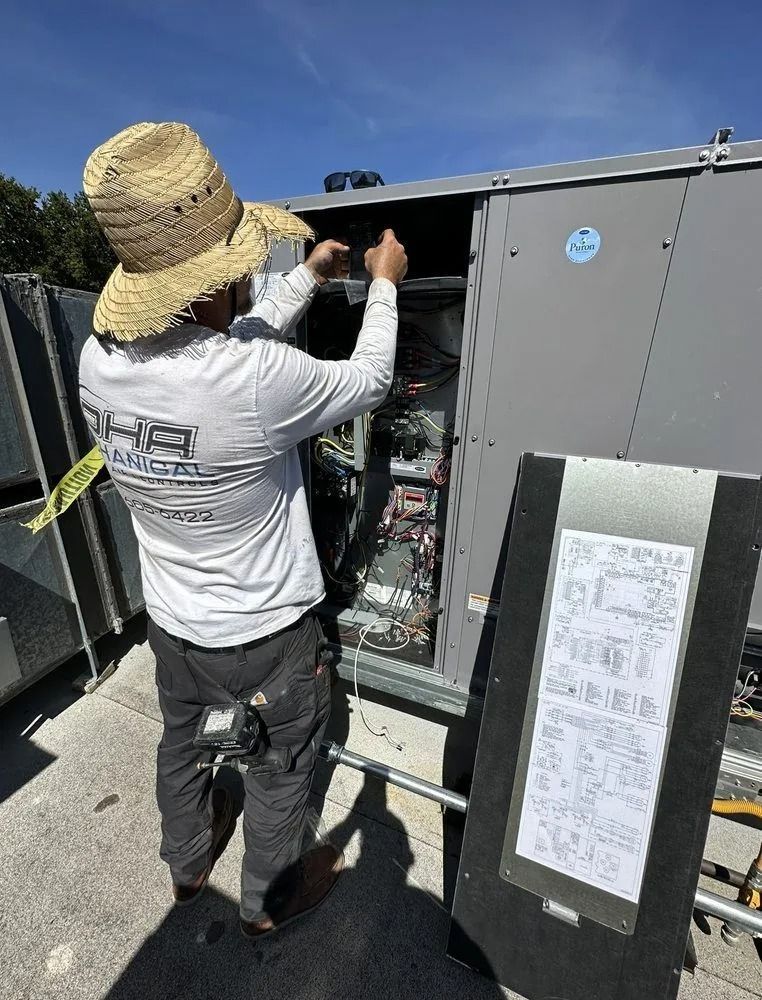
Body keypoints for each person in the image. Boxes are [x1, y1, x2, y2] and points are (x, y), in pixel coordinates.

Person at [78, 121, 407, 937]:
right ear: (213, 281)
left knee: (182, 747)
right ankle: (268, 904)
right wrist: (386, 282)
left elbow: (217, 348)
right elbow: (366, 380)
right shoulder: (256, 379)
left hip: (176, 625)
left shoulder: (98, 360)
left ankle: (187, 868)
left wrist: (304, 278)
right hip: (266, 635)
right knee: (279, 771)